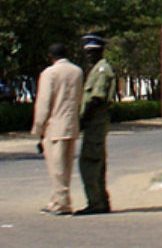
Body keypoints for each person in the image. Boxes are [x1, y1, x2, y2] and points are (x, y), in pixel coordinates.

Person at [31, 43, 84, 215]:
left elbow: (44, 103)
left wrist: (38, 127)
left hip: (54, 126)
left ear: (50, 56)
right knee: (65, 166)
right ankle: (55, 200)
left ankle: (62, 203)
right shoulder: (77, 72)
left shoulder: (49, 73)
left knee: (56, 168)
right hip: (71, 124)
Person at [75, 34, 116, 215]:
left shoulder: (101, 70)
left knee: (89, 163)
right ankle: (100, 201)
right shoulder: (97, 69)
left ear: (100, 51)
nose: (89, 56)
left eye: (92, 52)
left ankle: (96, 202)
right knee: (96, 162)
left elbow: (96, 99)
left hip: (95, 122)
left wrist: (83, 120)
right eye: (87, 52)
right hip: (95, 122)